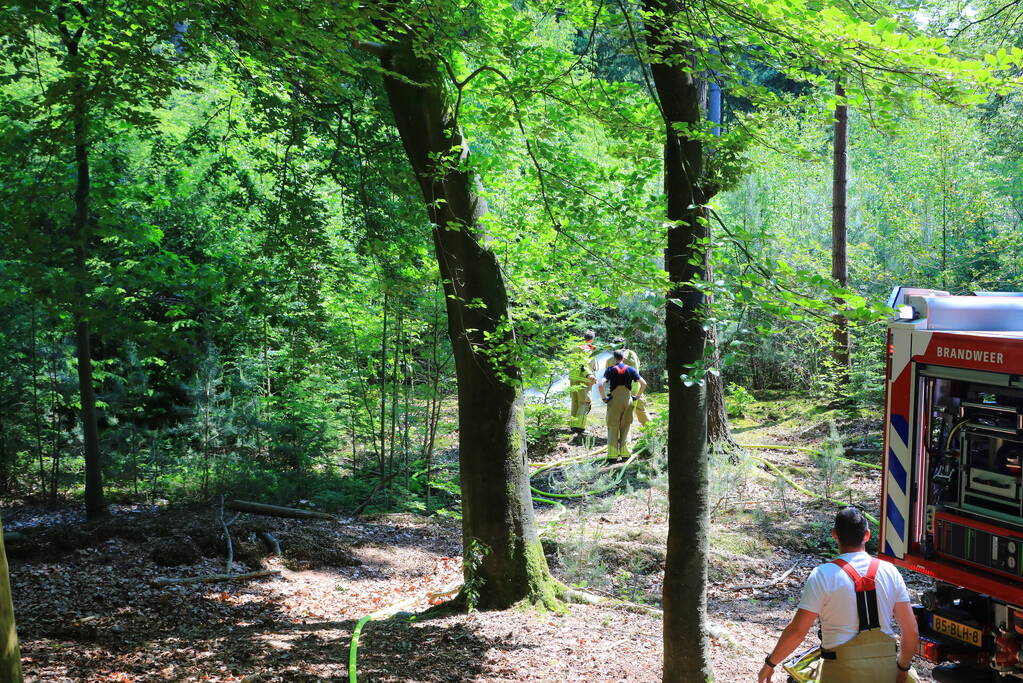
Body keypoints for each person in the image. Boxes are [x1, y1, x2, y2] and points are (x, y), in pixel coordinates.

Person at [757, 507, 920, 683]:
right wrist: (902, 669)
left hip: (840, 670)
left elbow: (797, 631)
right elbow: (911, 631)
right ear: (867, 535)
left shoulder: (822, 575)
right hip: (885, 670)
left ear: (835, 534)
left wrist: (770, 663)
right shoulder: (890, 571)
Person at [599, 349, 647, 460]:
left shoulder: (610, 369)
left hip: (614, 401)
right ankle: (625, 454)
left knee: (613, 426)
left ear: (614, 358)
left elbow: (600, 385)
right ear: (623, 358)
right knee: (626, 426)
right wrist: (637, 396)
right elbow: (644, 384)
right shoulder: (631, 369)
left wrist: (604, 398)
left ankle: (612, 456)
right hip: (628, 400)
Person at [604, 338, 648, 425]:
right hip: (636, 387)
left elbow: (607, 375)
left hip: (620, 390)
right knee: (641, 409)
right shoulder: (632, 354)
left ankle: (622, 436)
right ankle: (650, 430)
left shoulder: (611, 360)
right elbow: (638, 365)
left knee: (623, 414)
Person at [568, 331, 598, 437]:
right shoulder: (586, 349)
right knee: (585, 402)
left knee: (575, 402)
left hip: (573, 378)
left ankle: (573, 425)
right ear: (592, 339)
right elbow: (583, 364)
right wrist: (589, 375)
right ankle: (579, 427)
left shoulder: (576, 347)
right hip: (583, 379)